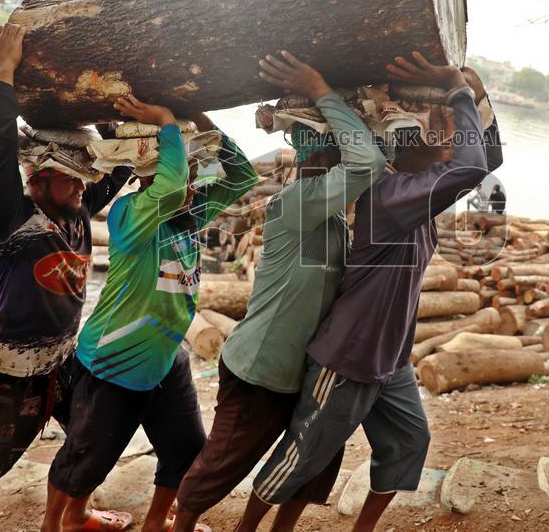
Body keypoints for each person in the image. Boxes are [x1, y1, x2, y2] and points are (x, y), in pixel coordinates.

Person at [238, 53, 503, 532]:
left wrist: (472, 91)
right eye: (435, 134)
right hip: (348, 357)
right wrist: (456, 90)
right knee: (301, 455)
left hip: (390, 357)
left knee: (408, 443)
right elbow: (470, 168)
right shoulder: (389, 196)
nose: (444, 140)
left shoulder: (418, 191)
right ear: (406, 143)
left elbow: (485, 159)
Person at [172, 51, 386, 532]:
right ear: (324, 154)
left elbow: (375, 164)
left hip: (301, 370)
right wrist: (319, 90)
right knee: (219, 468)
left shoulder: (330, 217)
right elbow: (368, 162)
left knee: (315, 461)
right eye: (336, 150)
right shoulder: (294, 204)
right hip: (260, 371)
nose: (342, 158)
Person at [42, 95, 257, 532]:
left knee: (185, 448)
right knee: (86, 458)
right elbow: (172, 187)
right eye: (186, 169)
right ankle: (60, 524)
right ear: (152, 176)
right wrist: (163, 123)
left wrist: (200, 117)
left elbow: (243, 176)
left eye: (194, 171)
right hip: (112, 363)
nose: (193, 180)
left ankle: (158, 522)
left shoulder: (187, 215)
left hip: (165, 357)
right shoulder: (131, 213)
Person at [0, 23, 132, 532]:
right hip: (12, 360)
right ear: (38, 178)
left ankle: (73, 515)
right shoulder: (13, 215)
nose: (80, 186)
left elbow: (116, 168)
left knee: (89, 436)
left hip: (65, 354)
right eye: (70, 177)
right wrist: (2, 73)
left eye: (82, 178)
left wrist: (110, 103)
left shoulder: (77, 211)